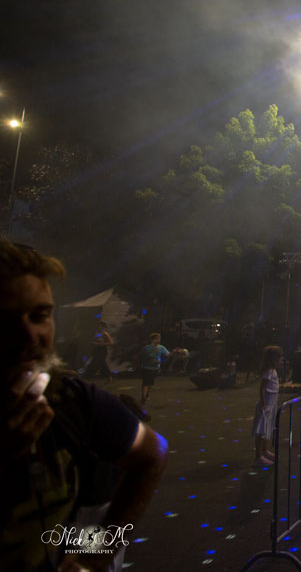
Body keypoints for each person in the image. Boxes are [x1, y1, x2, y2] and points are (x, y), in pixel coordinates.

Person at [0, 241, 168, 571]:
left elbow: (153, 453)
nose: (30, 335)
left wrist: (96, 556)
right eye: (5, 320)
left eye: (41, 316)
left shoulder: (68, 398)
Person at [252, 346, 283, 466]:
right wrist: (263, 402)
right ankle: (258, 456)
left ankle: (264, 451)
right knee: (261, 430)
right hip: (267, 403)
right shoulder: (269, 371)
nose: (280, 361)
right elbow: (262, 388)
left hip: (272, 403)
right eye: (278, 358)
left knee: (267, 429)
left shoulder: (273, 371)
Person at [138, 333, 170, 405]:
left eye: (159, 339)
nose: (158, 340)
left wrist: (174, 352)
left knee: (150, 383)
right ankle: (144, 396)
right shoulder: (146, 348)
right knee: (146, 382)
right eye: (157, 339)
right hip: (146, 368)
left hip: (155, 368)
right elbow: (141, 356)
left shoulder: (161, 347)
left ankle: (146, 395)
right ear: (152, 339)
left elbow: (167, 354)